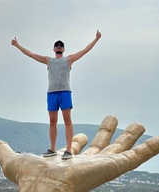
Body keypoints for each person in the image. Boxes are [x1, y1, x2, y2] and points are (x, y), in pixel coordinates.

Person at [11, 30, 102, 160]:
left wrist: (96, 39)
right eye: (57, 45)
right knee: (52, 121)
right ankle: (52, 148)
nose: (59, 46)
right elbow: (31, 54)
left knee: (67, 120)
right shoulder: (48, 61)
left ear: (63, 49)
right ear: (54, 49)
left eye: (61, 45)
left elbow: (85, 50)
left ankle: (69, 150)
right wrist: (17, 45)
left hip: (65, 92)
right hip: (52, 94)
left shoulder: (69, 59)